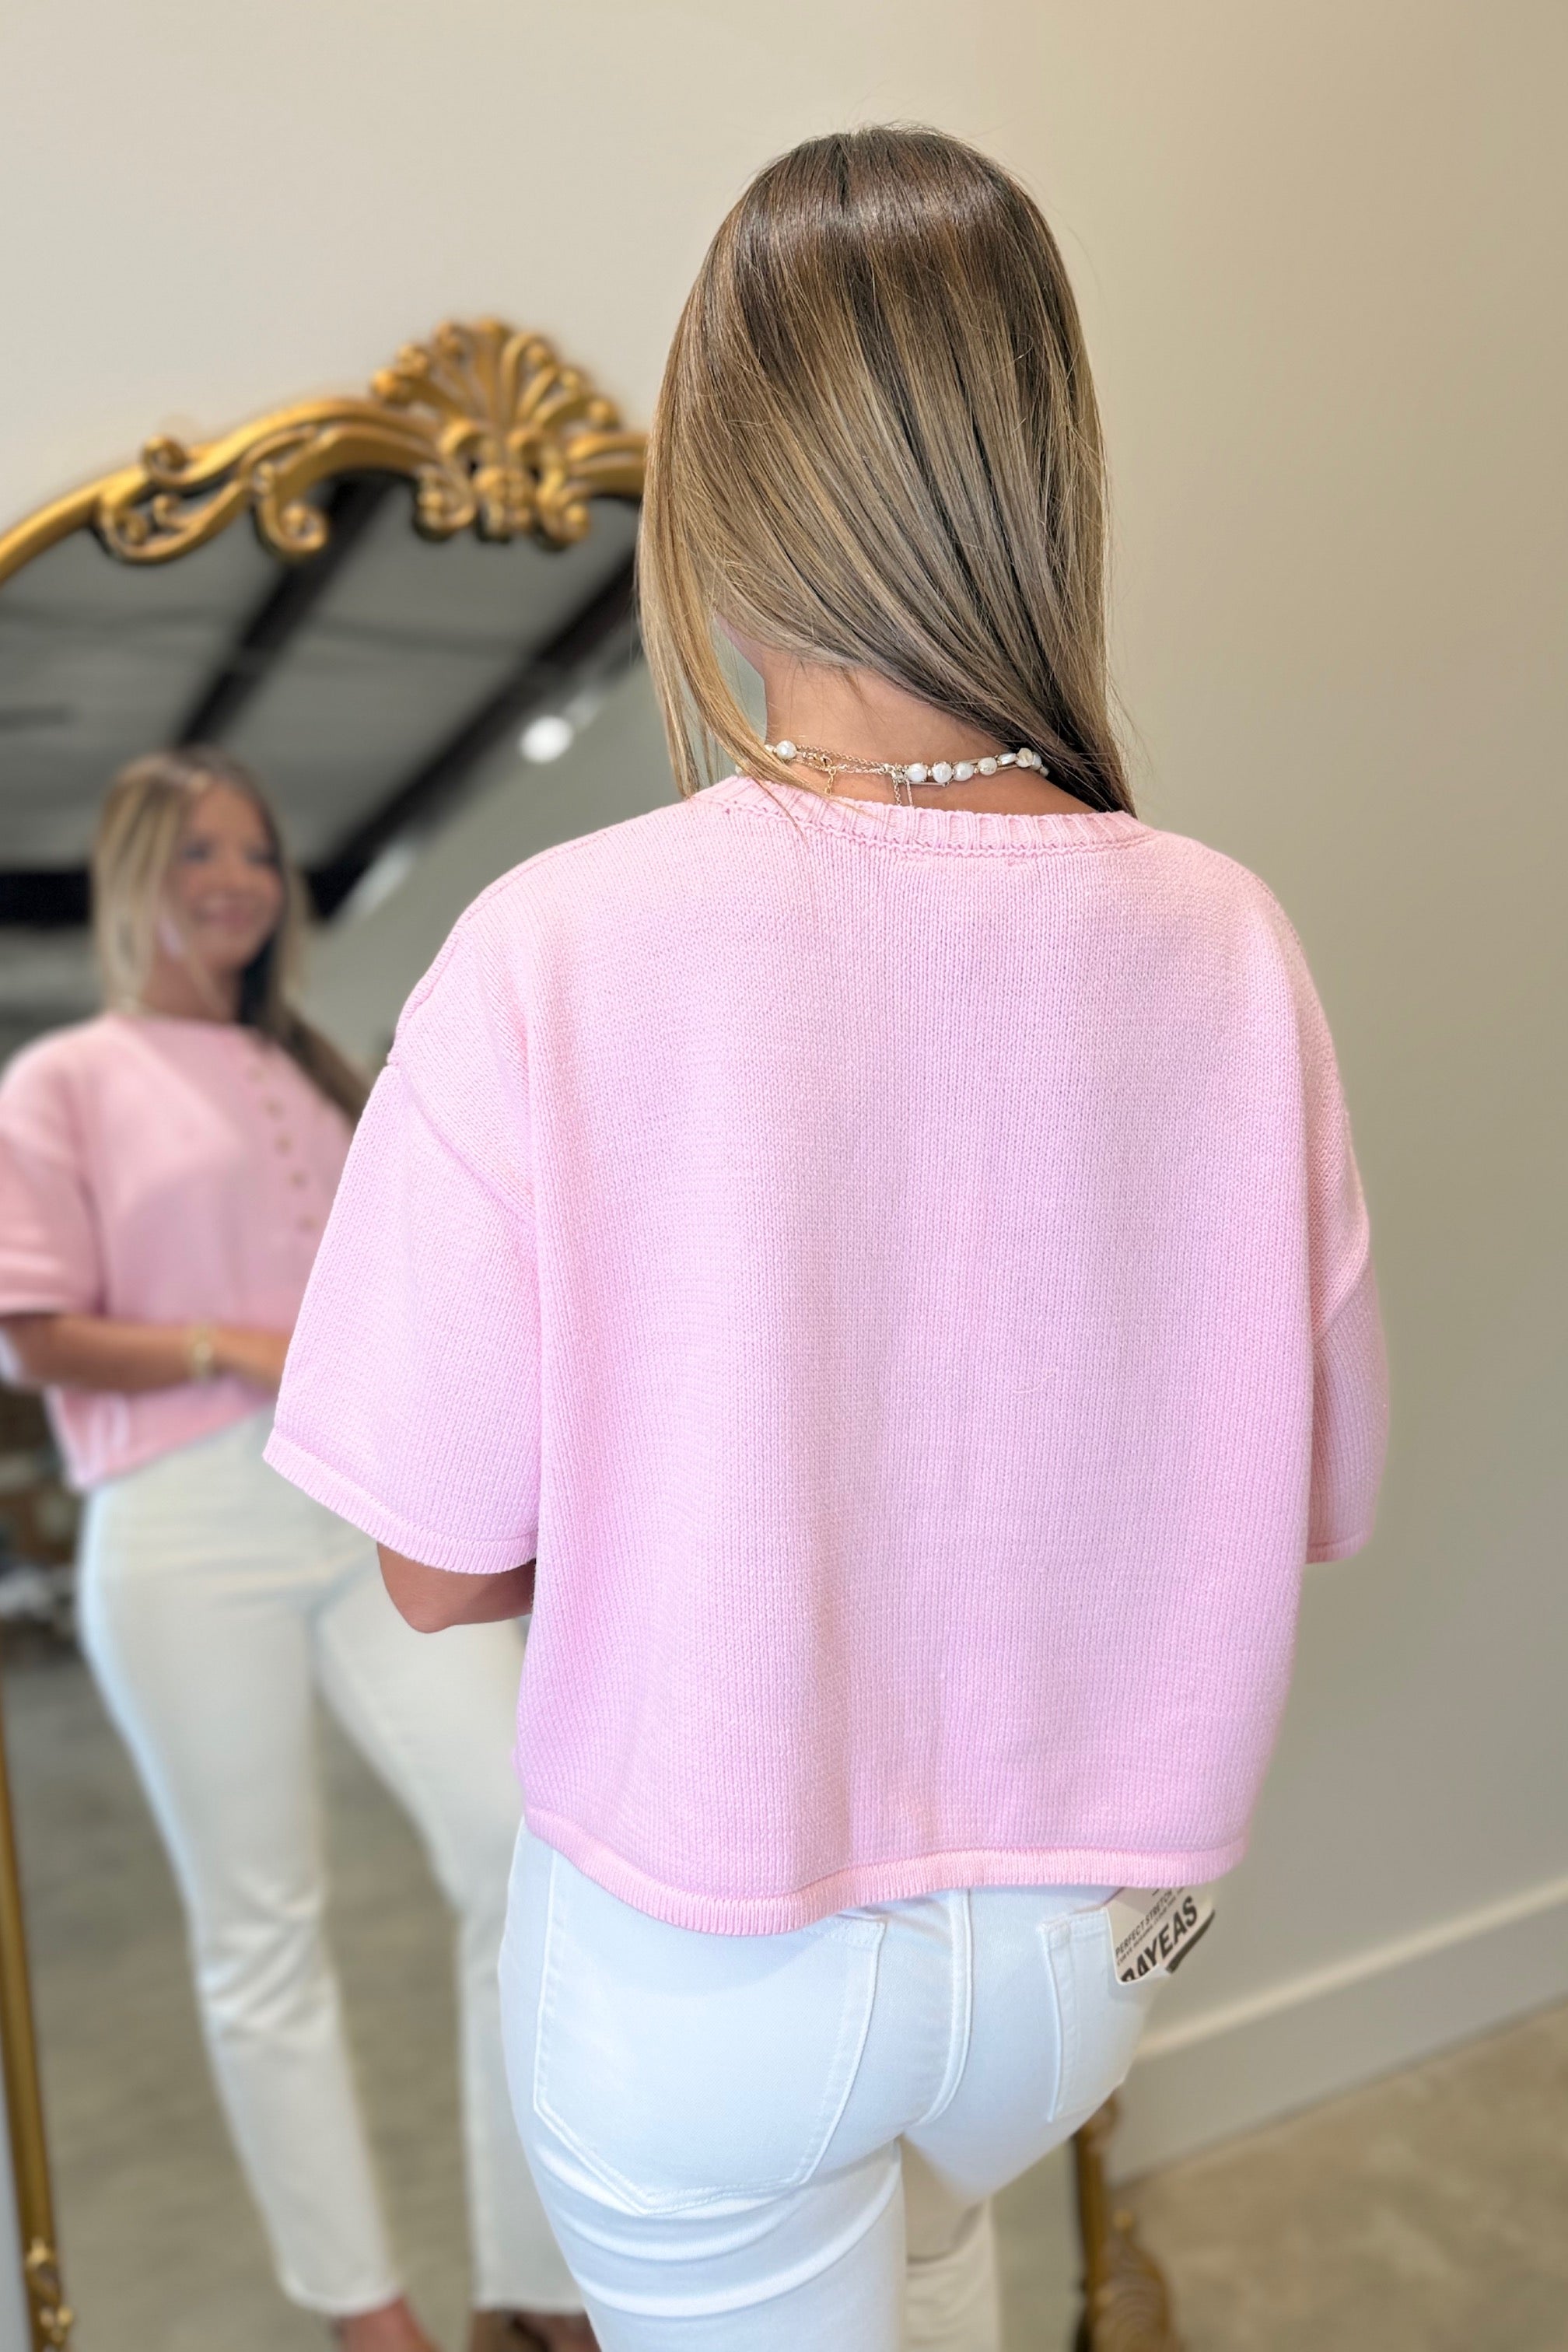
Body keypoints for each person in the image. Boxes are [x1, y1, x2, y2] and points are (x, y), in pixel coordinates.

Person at [265, 126, 1389, 2352]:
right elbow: (1308, 1487)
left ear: (723, 493)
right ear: (1044, 475)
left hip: (709, 1952)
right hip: (1081, 1955)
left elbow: (435, 1570)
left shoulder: (557, 947)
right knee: (943, 2278)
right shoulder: (1229, 943)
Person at [0, 748, 594, 2352]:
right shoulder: (63, 1081)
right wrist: (231, 1344)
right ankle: (365, 2315)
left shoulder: (314, 1066)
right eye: (199, 850)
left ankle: (535, 2289)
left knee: (523, 1841)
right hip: (184, 1522)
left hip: (369, 1497)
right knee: (262, 1925)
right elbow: (30, 1333)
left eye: (258, 853)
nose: (238, 880)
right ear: (133, 871)